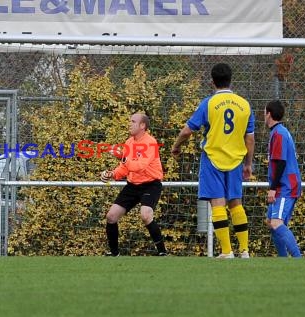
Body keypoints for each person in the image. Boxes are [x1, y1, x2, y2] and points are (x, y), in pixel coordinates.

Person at [171, 63, 254, 259]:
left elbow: (187, 130)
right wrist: (248, 164)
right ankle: (244, 250)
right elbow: (249, 138)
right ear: (230, 80)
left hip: (213, 158)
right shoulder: (244, 104)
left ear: (212, 81)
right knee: (235, 202)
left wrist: (176, 146)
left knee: (217, 202)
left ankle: (227, 251)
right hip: (235, 159)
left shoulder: (208, 103)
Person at [100, 113, 167, 256]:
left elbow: (140, 166)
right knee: (111, 216)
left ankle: (162, 252)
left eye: (133, 121)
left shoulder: (150, 142)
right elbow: (125, 167)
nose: (129, 124)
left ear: (142, 125)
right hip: (133, 185)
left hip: (151, 184)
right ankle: (114, 254)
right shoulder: (129, 142)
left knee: (146, 215)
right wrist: (112, 174)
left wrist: (123, 157)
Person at [264, 100, 301, 257]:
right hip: (283, 184)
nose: (263, 116)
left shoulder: (279, 133)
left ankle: (299, 260)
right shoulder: (280, 132)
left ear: (269, 114)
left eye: (264, 113)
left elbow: (281, 162)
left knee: (276, 223)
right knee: (271, 223)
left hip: (285, 186)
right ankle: (282, 260)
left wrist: (273, 188)